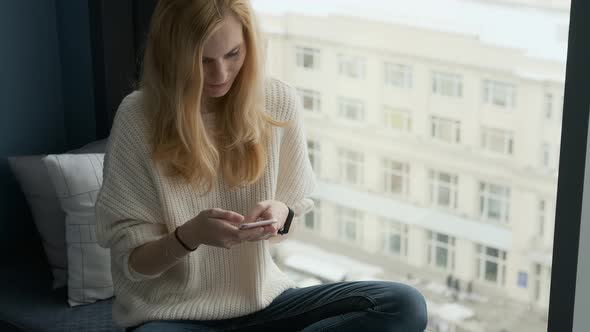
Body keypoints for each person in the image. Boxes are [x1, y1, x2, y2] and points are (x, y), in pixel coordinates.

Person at [95, 0, 428, 331]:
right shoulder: (138, 118)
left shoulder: (278, 102)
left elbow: (290, 214)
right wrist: (190, 235)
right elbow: (134, 265)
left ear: (249, 46)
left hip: (264, 304)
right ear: (172, 55)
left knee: (402, 305)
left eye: (233, 54)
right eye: (203, 60)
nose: (220, 74)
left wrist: (281, 214)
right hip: (170, 315)